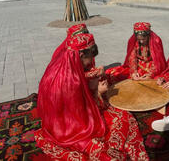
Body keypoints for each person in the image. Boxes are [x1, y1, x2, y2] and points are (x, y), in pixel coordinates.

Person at [35, 31, 149, 160]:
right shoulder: (72, 82)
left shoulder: (60, 64)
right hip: (69, 129)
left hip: (52, 121)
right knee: (122, 117)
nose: (90, 63)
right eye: (90, 59)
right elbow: (81, 112)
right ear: (82, 54)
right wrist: (98, 93)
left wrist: (92, 85)